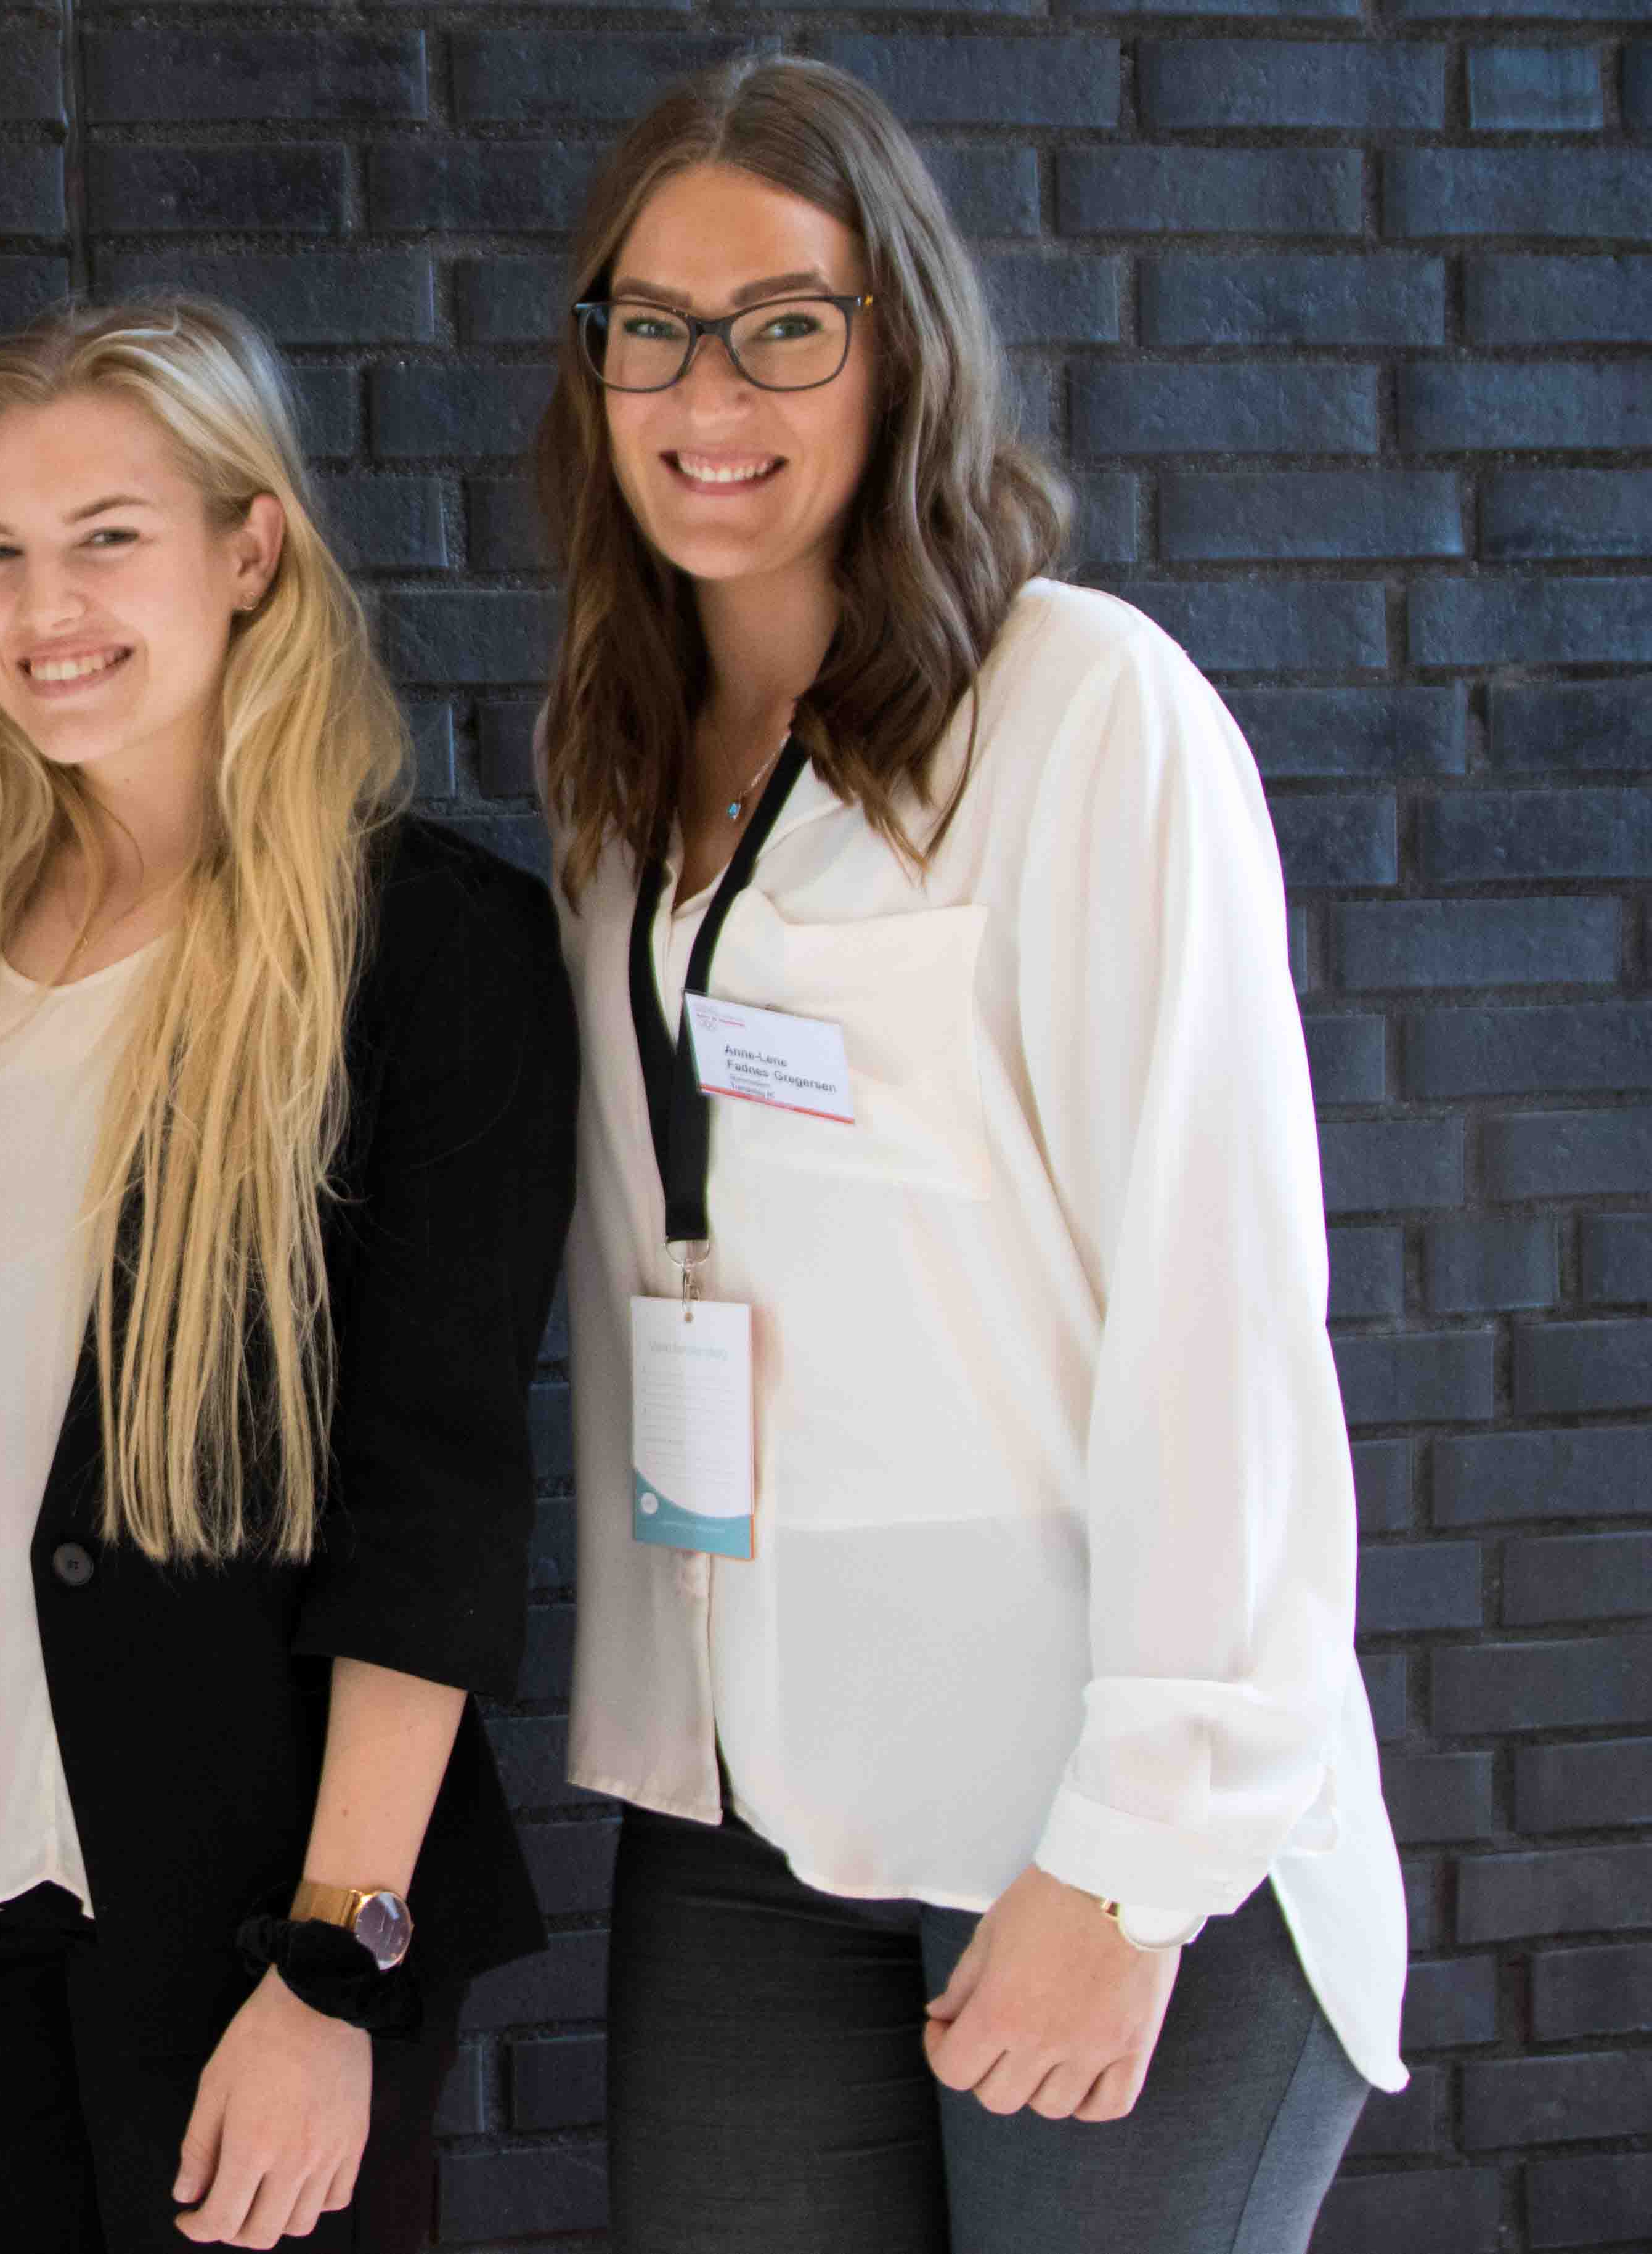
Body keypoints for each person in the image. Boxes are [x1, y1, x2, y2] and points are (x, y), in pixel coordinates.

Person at [537, 58, 1407, 2252]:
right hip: (749, 1805)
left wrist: (1130, 1850)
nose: (704, 388)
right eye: (651, 325)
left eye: (782, 325)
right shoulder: (620, 785)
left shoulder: (1082, 713)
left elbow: (1218, 1312)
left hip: (1090, 1808)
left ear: (899, 348)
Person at [0, 296, 573, 2254]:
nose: (44, 604)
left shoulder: (428, 950)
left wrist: (335, 1971)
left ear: (250, 550)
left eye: (107, 536)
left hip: (259, 1927)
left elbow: (440, 1494)